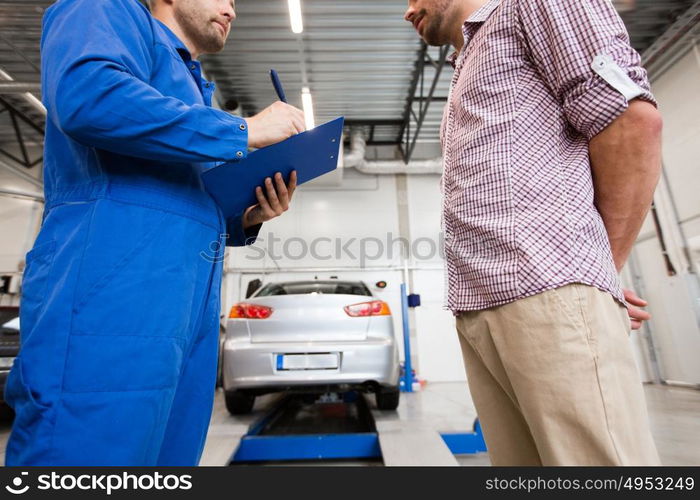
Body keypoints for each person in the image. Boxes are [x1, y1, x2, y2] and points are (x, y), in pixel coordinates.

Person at [5, 0, 305, 466]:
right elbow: (89, 97)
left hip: (184, 315)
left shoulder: (192, 88)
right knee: (84, 458)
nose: (233, 9)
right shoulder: (103, 9)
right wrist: (244, 129)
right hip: (109, 302)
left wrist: (245, 216)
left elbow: (181, 199)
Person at [404, 0, 662, 465]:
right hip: (480, 307)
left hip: (546, 293)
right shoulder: (471, 57)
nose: (407, 11)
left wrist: (601, 271)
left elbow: (630, 121)